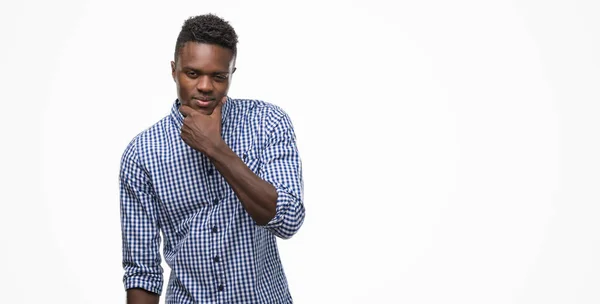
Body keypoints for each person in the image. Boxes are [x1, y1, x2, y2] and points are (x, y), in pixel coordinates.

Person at [119, 14, 305, 304]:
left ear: (232, 73)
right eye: (192, 74)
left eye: (218, 76)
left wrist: (216, 149)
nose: (205, 86)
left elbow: (288, 220)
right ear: (174, 70)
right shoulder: (142, 153)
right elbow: (142, 271)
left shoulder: (268, 123)